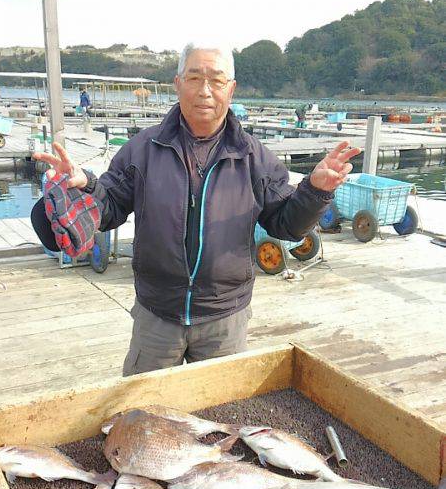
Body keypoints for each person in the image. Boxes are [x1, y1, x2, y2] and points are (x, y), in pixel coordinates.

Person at [31, 43, 359, 376]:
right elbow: (110, 205)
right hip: (157, 314)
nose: (205, 90)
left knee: (221, 417)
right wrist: (84, 186)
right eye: (194, 77)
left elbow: (285, 224)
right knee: (145, 411)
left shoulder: (255, 159)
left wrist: (315, 191)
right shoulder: (141, 150)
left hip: (225, 318)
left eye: (216, 80)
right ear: (177, 84)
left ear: (230, 90)